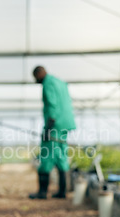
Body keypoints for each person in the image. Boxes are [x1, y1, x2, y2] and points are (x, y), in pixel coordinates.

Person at [29, 66, 76, 199]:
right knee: (61, 155)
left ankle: (42, 192)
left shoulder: (47, 83)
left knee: (47, 155)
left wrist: (49, 127)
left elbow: (52, 105)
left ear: (39, 74)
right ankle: (62, 191)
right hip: (65, 123)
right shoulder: (60, 82)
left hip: (55, 123)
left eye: (35, 78)